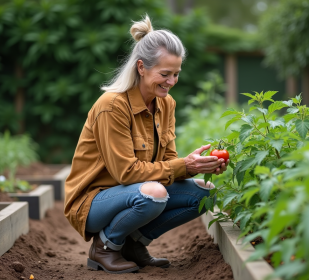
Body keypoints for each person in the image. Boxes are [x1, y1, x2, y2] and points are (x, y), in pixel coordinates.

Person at [64, 15, 229, 274]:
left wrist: (194, 166)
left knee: (204, 193)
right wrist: (181, 165)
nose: (171, 81)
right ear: (141, 67)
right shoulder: (112, 106)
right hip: (93, 200)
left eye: (176, 74)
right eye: (164, 74)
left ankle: (133, 244)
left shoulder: (166, 104)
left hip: (135, 191)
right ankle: (105, 247)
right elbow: (125, 173)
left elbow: (167, 163)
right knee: (154, 194)